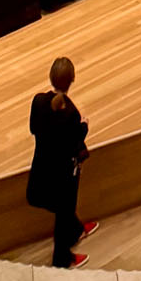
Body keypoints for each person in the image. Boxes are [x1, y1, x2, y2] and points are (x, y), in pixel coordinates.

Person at [27, 58, 96, 269]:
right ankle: (62, 259)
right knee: (64, 211)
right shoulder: (71, 114)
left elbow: (34, 128)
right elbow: (73, 142)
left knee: (63, 210)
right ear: (72, 80)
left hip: (42, 165)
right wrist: (84, 127)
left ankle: (76, 230)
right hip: (62, 172)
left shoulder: (38, 101)